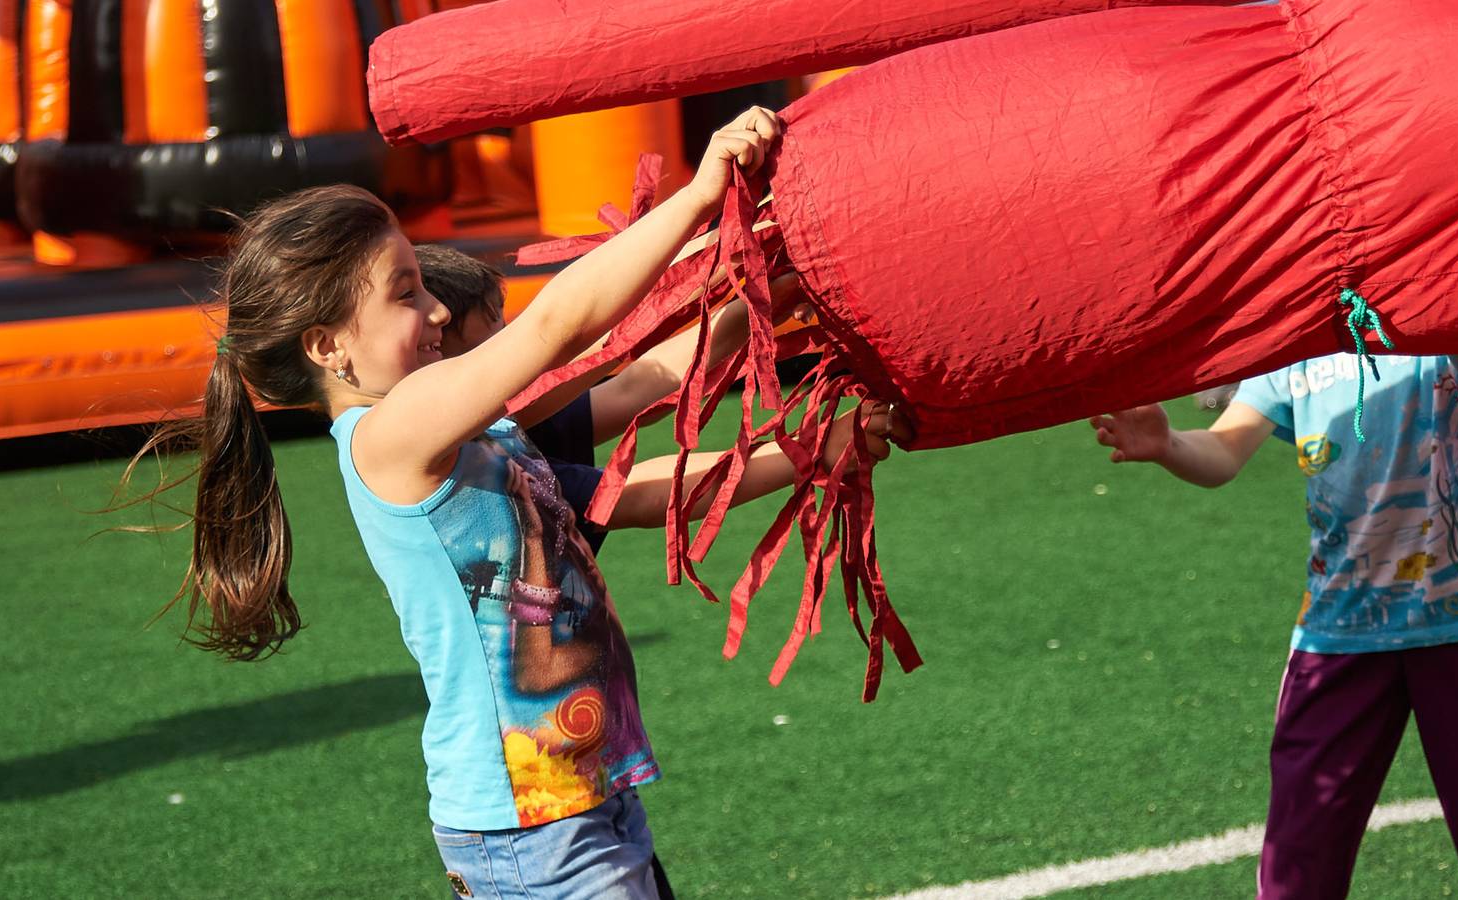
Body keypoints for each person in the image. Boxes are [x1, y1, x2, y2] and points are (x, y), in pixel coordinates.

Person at [135, 107, 898, 899]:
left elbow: (640, 392)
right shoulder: (386, 437)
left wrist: (777, 319)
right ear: (329, 348)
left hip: (579, 798)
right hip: (529, 829)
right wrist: (702, 196)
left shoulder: (487, 436)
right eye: (405, 293)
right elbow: (560, 329)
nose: (437, 310)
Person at [1090, 353, 1458, 898]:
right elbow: (1226, 447)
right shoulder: (1300, 342)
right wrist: (1169, 445)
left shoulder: (1448, 323)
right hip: (1339, 632)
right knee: (1298, 867)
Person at [417, 243, 803, 553]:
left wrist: (754, 314)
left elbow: (631, 389)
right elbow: (638, 495)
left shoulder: (504, 426)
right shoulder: (476, 468)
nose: (518, 352)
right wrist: (808, 449)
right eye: (495, 344)